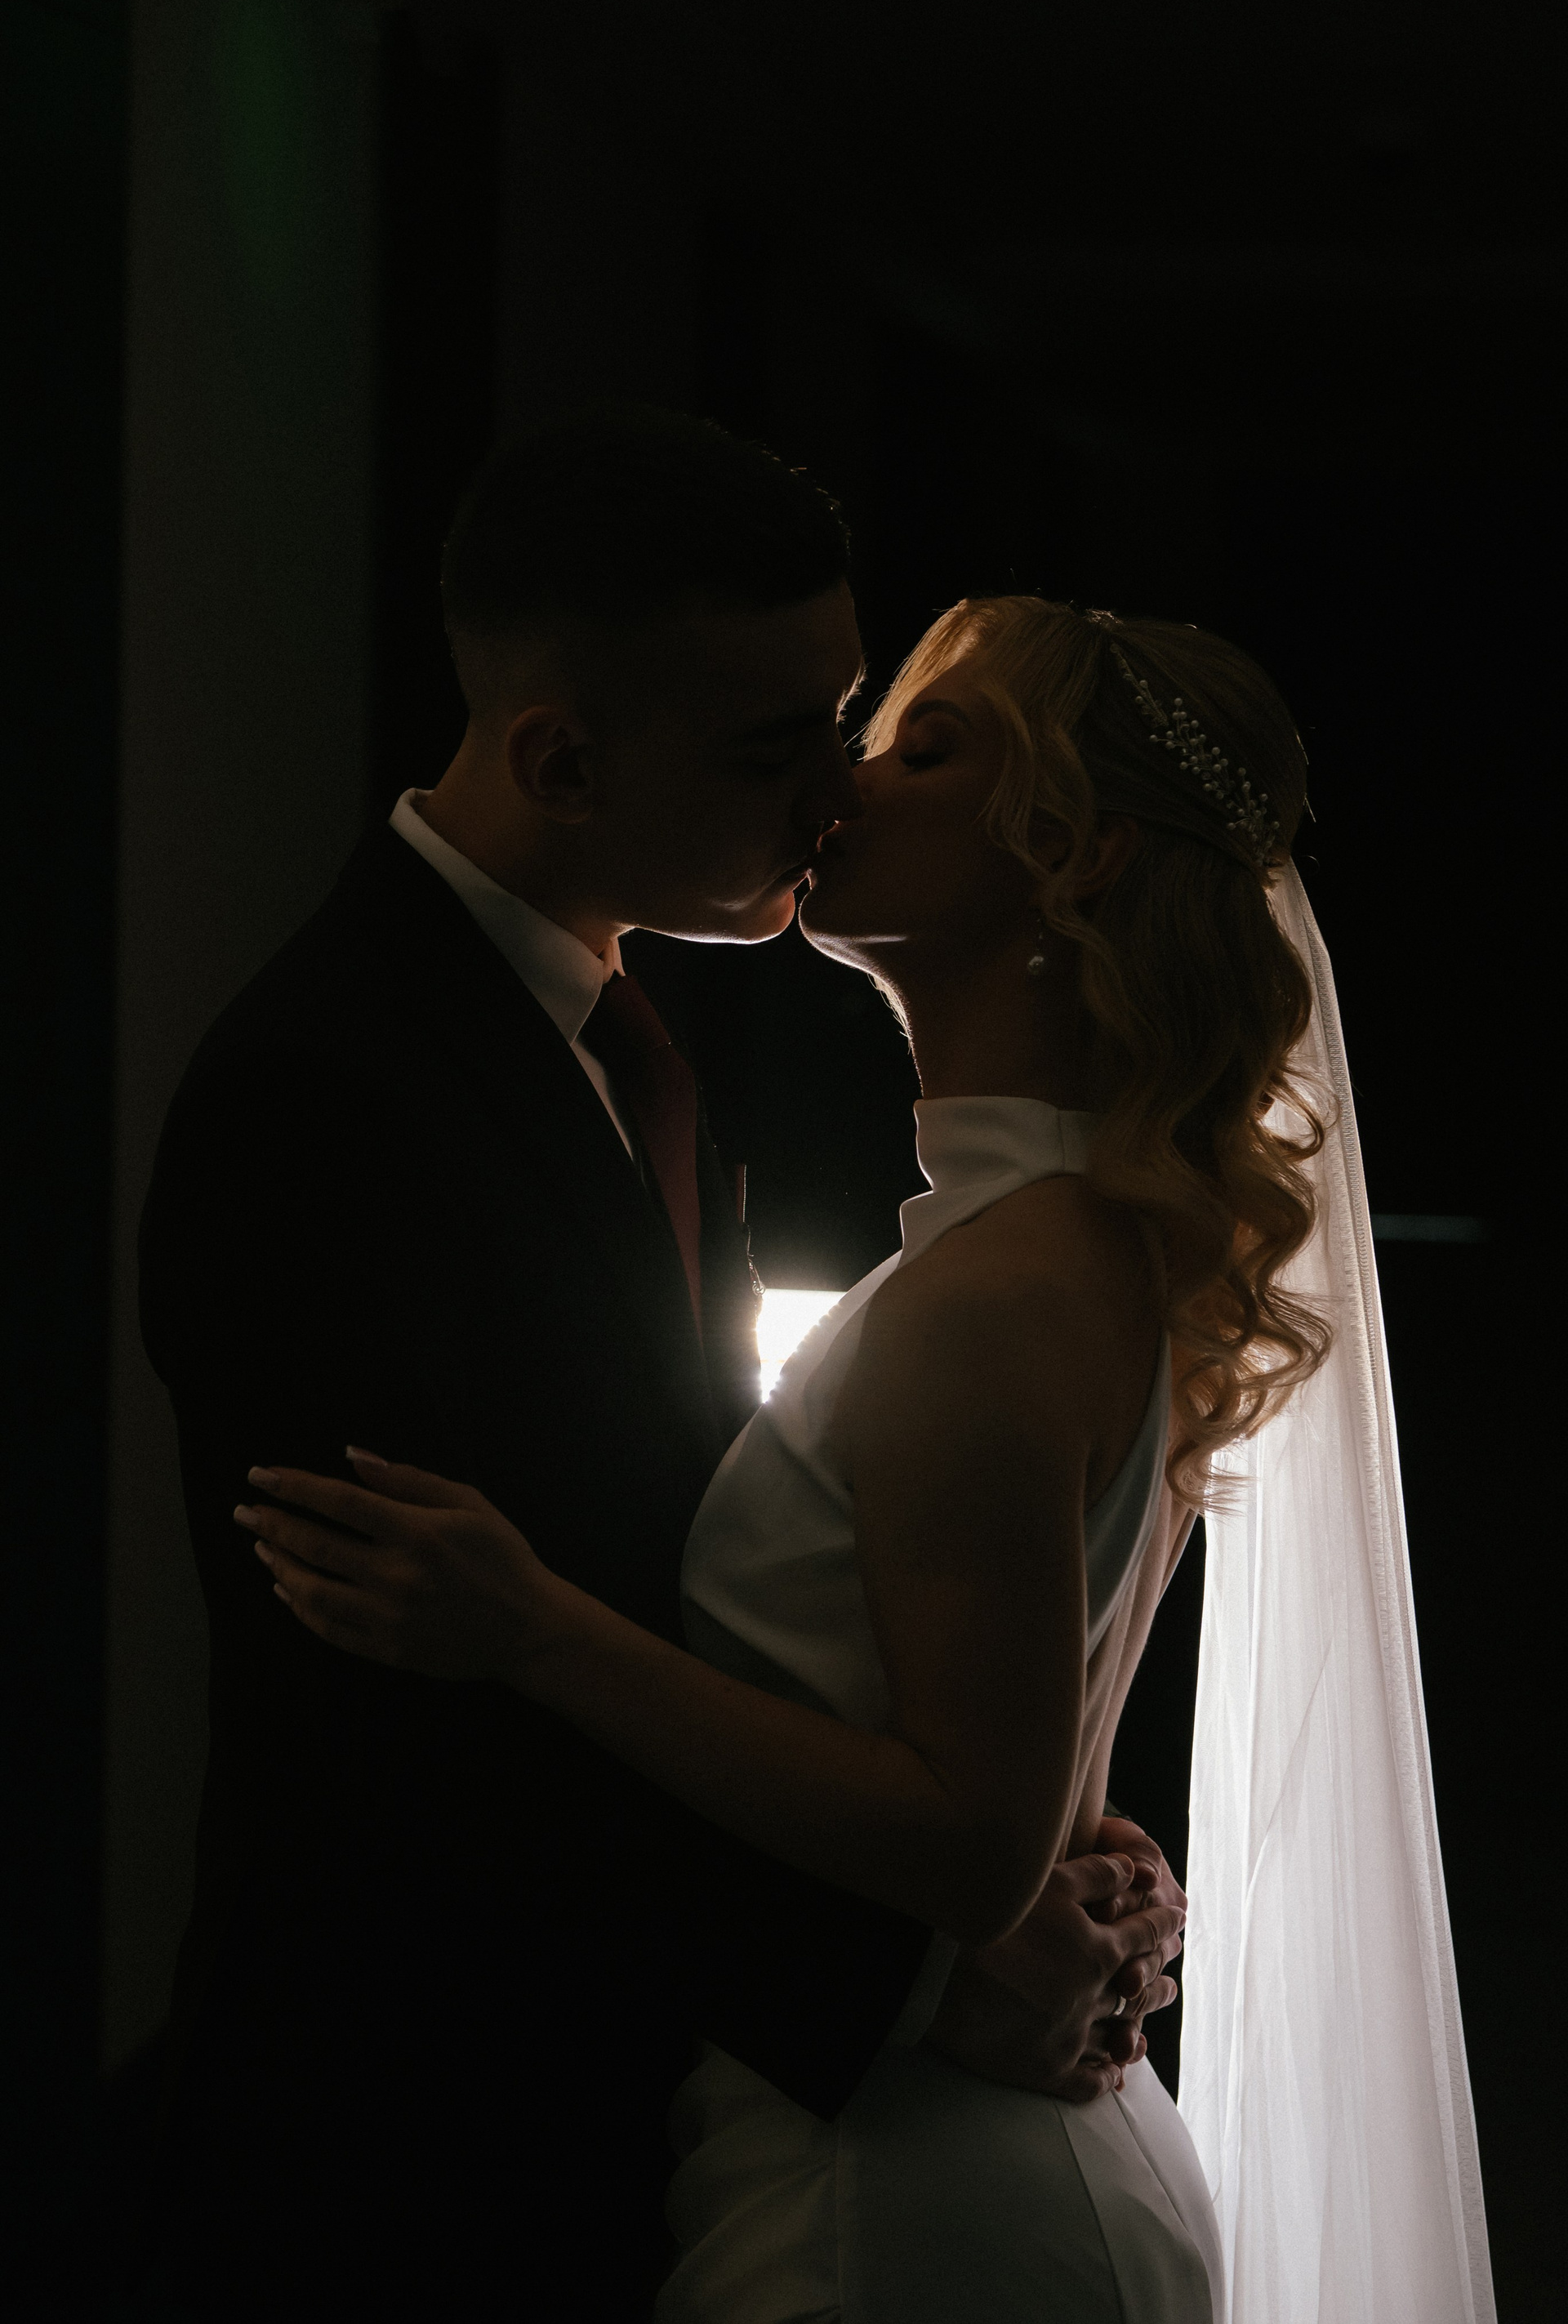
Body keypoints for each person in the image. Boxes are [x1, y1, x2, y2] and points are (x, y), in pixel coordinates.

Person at [135, 418, 1187, 2321]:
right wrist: (916, 1971)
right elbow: (405, 1737)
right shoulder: (321, 1095)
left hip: (642, 2122)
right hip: (423, 2153)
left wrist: (1031, 1832)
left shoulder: (634, 1035)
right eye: (780, 746)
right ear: (564, 759)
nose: (836, 789)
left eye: (854, 717)